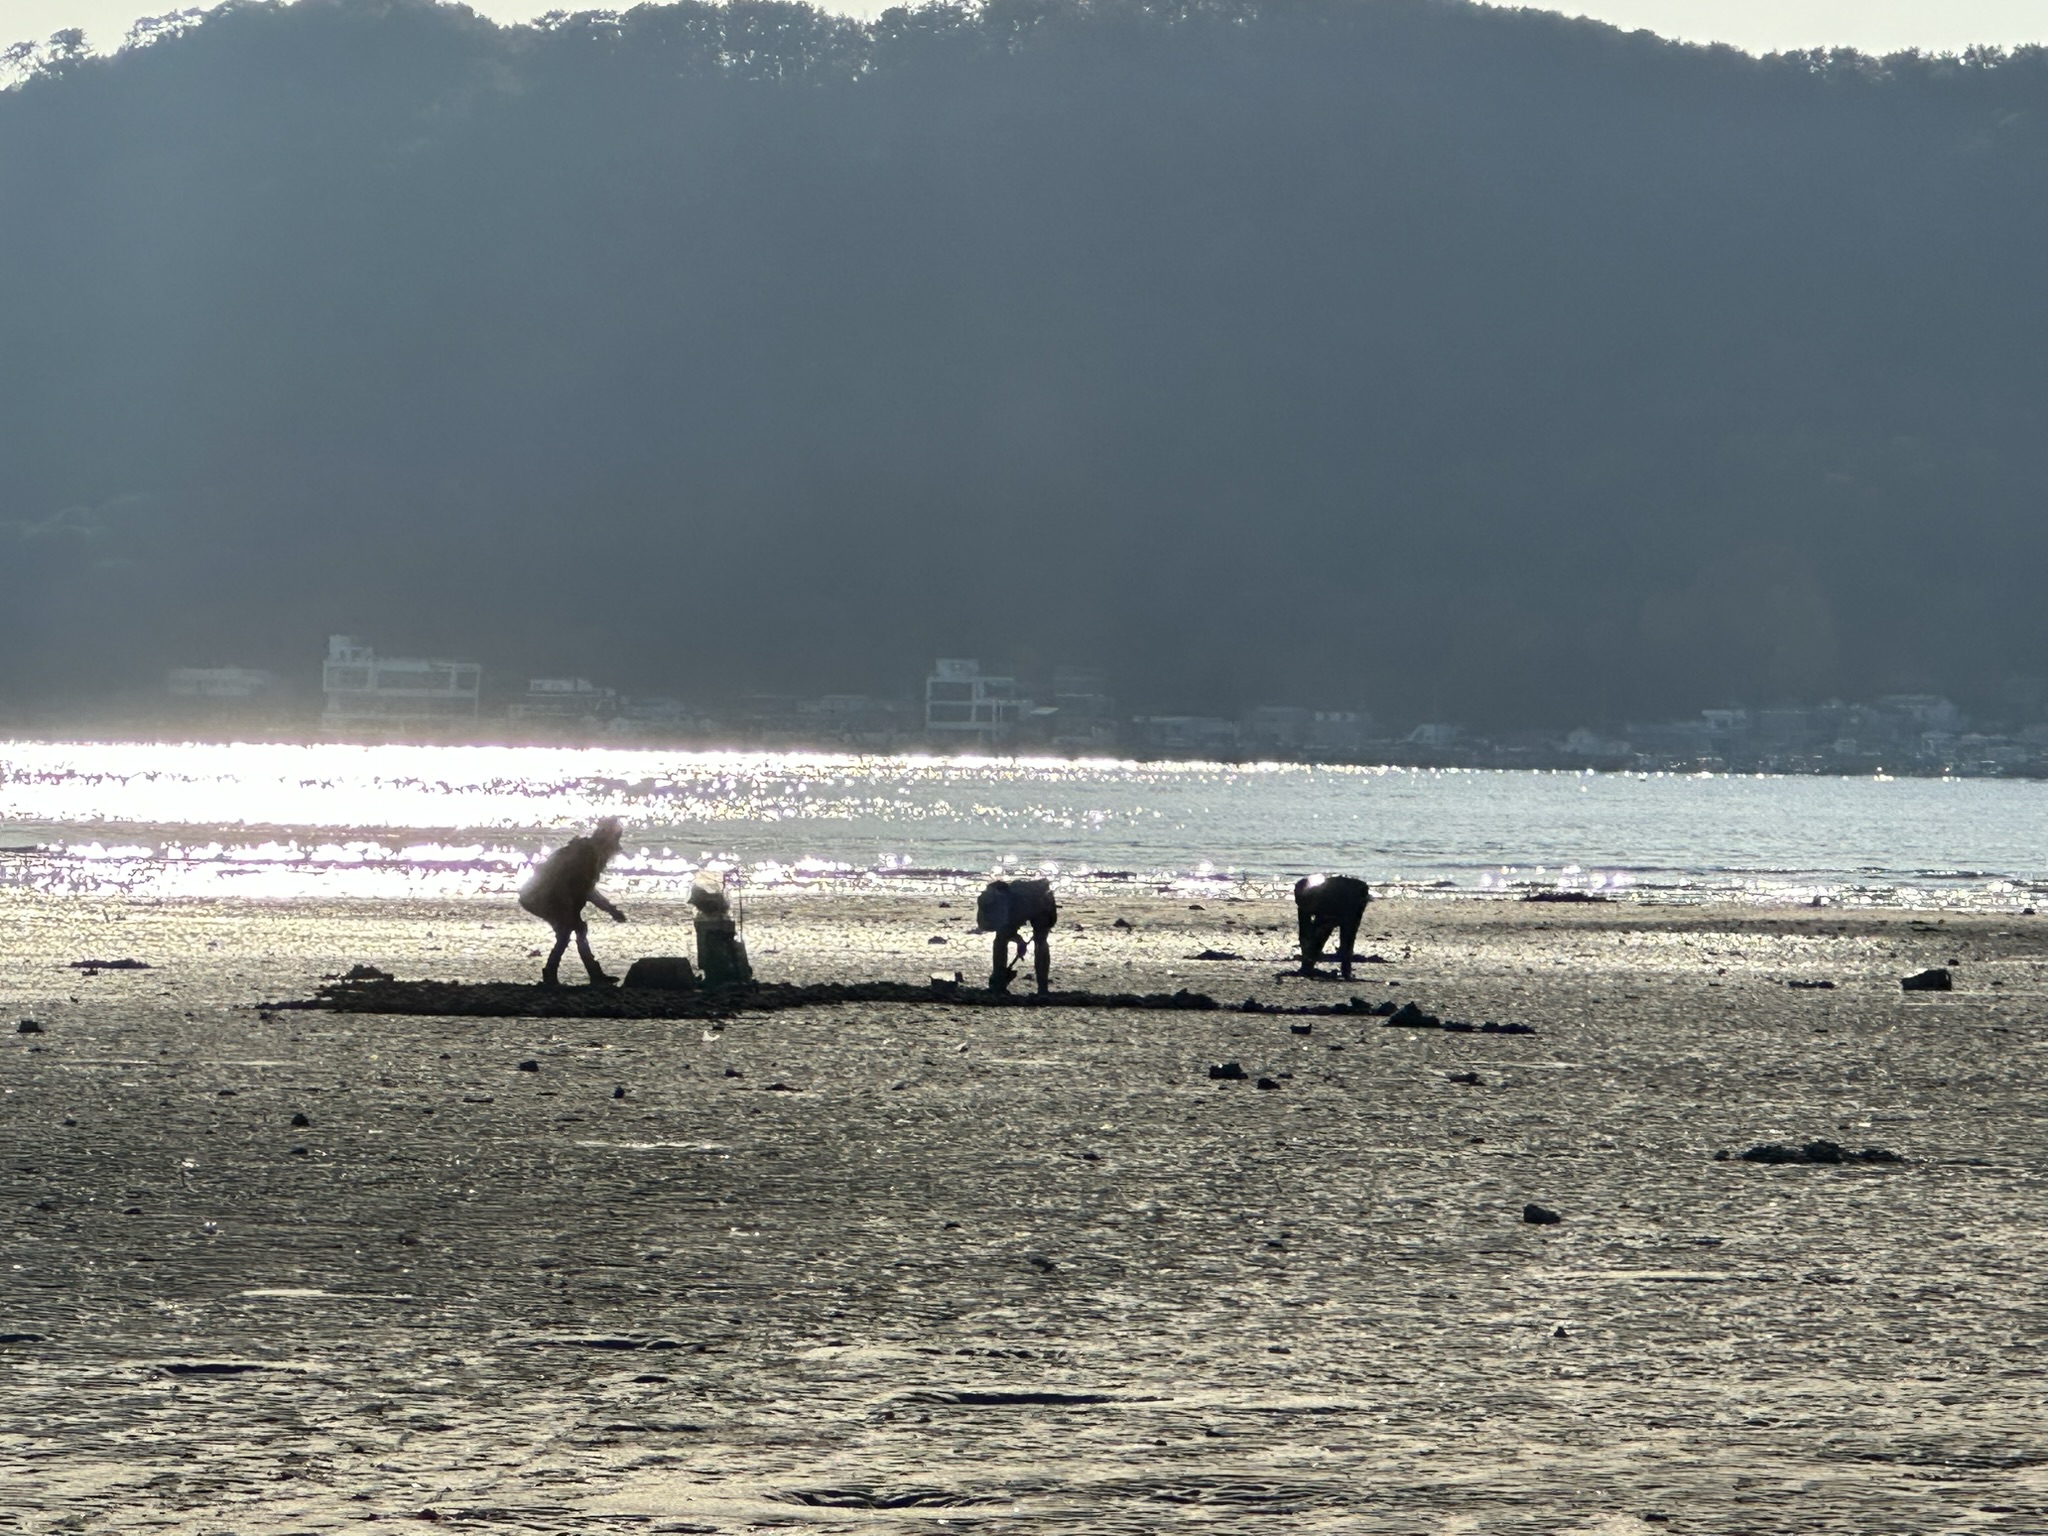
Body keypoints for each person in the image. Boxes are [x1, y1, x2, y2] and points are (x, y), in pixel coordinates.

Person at [518, 817, 628, 985]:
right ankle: (558, 976)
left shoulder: (588, 851)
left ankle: (589, 974)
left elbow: (582, 889)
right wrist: (610, 910)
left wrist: (609, 910)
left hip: (543, 895)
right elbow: (580, 889)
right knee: (569, 931)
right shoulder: (589, 855)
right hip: (541, 896)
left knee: (574, 930)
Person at [977, 876, 1057, 995]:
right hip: (1043, 898)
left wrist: (1019, 941)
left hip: (1042, 902)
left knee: (1002, 940)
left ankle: (999, 982)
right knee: (1040, 942)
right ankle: (1042, 989)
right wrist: (1019, 941)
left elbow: (1004, 931)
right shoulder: (1001, 899)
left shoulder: (1004, 902)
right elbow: (1005, 929)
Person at [1294, 874, 1371, 979]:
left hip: (1354, 896)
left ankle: (1345, 969)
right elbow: (1304, 931)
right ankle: (1309, 965)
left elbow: (1320, 932)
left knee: (1347, 934)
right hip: (1341, 893)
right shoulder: (1305, 898)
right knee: (1325, 932)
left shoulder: (1326, 898)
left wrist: (1309, 955)